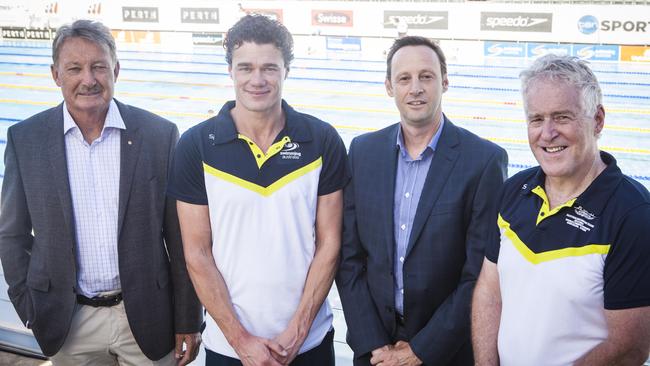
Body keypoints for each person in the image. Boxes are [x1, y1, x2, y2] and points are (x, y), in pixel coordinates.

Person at [0, 19, 202, 365]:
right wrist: (28, 304)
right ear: (55, 74)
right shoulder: (26, 140)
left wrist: (187, 318)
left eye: (98, 67)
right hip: (69, 321)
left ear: (116, 70)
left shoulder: (159, 136)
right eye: (74, 68)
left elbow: (182, 238)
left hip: (147, 318)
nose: (88, 79)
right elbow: (11, 234)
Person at [168, 15, 348, 366]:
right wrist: (241, 340)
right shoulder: (196, 147)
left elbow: (330, 245)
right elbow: (197, 253)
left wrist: (296, 333)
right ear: (231, 71)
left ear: (286, 71)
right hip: (229, 347)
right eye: (245, 67)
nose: (257, 79)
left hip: (308, 343)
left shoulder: (321, 141)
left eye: (270, 68)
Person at [336, 36, 508, 366]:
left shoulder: (483, 161)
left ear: (444, 81)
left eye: (426, 76)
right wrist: (374, 344)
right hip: (375, 350)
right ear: (389, 87)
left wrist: (421, 350)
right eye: (404, 78)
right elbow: (349, 258)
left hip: (446, 350)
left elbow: (479, 274)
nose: (415, 88)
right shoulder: (362, 152)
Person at [471, 54, 650, 366]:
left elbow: (629, 345)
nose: (548, 133)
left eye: (563, 117)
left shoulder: (633, 214)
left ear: (598, 120)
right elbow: (490, 292)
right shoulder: (514, 190)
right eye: (536, 119)